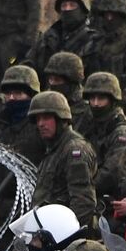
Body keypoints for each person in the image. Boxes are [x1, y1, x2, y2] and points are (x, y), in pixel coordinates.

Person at [27, 92, 100, 233]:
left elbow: (83, 204)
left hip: (69, 238)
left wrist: (62, 235)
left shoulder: (75, 150)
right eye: (38, 119)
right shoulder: (54, 149)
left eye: (46, 118)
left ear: (61, 119)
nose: (41, 124)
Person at [26, 0, 92, 75]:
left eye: (72, 5)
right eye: (64, 5)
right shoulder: (47, 38)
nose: (67, 9)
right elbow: (30, 63)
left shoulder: (92, 40)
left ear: (83, 9)